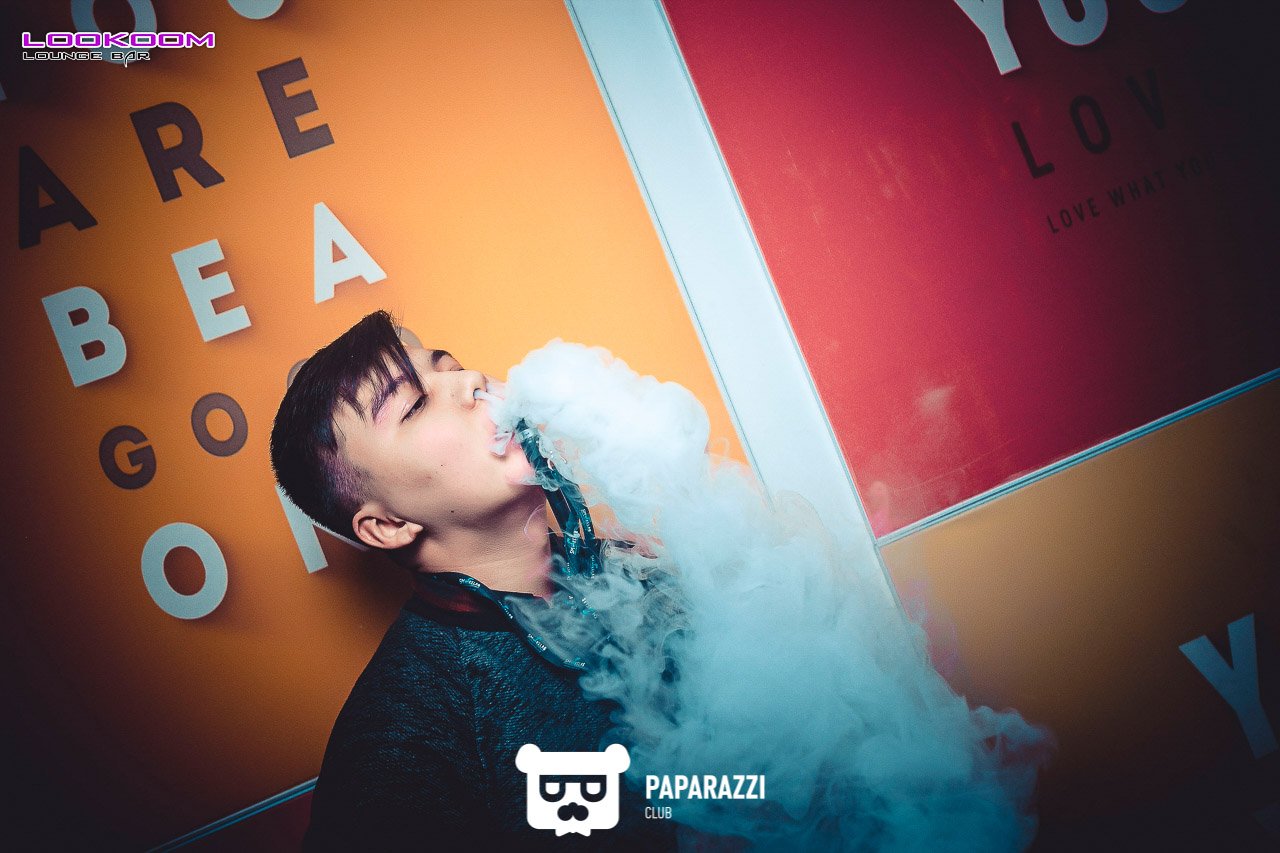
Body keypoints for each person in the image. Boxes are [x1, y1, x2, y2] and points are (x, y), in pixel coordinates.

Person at [270, 310, 676, 851]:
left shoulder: (633, 572)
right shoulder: (405, 737)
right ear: (388, 525)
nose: (470, 382)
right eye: (414, 404)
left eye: (450, 366)